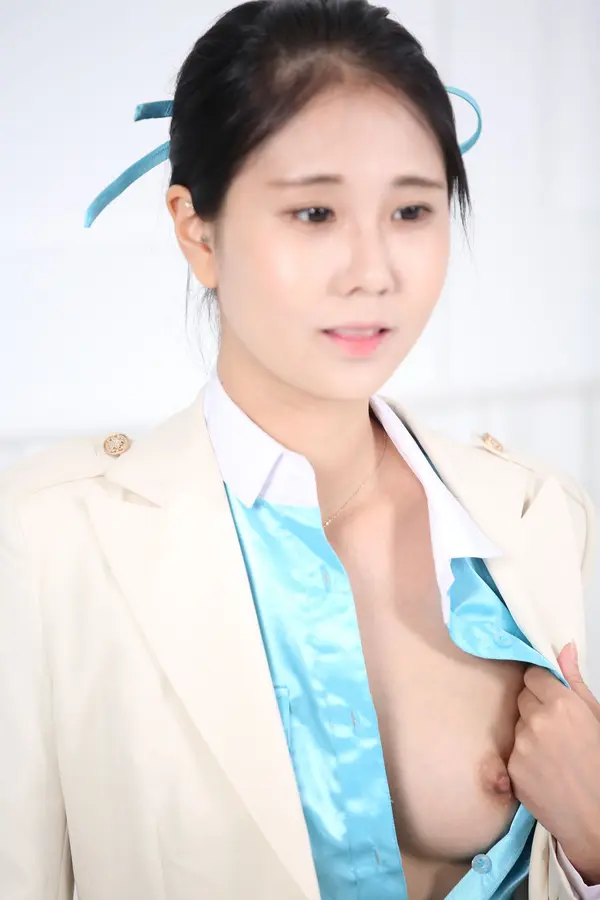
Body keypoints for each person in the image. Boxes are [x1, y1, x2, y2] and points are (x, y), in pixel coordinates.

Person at [1, 1, 599, 898]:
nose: (373, 270)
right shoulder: (48, 543)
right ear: (197, 230)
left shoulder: (539, 515)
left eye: (411, 210)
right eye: (315, 212)